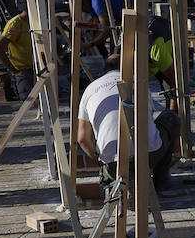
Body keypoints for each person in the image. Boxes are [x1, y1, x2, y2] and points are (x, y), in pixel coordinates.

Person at [76, 56, 181, 191]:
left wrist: (101, 160)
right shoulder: (138, 83)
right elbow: (148, 119)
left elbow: (82, 139)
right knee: (170, 118)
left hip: (113, 161)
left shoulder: (90, 89)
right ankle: (160, 182)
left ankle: (111, 178)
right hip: (147, 155)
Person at [0, 6, 35, 98]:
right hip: (23, 71)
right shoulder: (15, 23)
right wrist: (14, 71)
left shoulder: (36, 21)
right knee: (29, 101)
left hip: (36, 68)